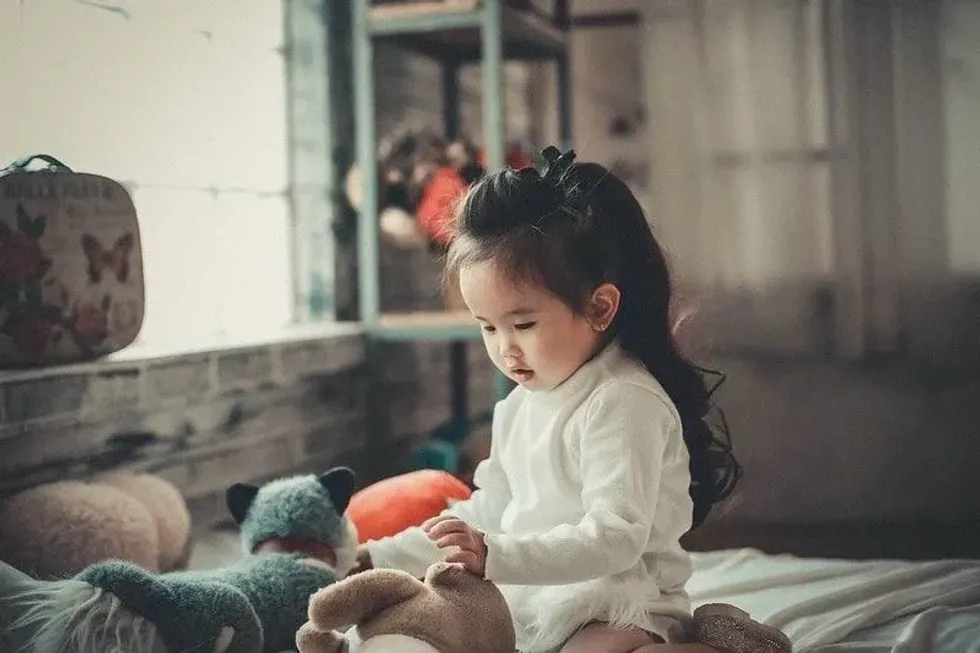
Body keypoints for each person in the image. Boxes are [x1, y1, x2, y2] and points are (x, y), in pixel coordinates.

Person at [356, 147, 792, 653]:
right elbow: (490, 509)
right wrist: (376, 556)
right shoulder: (521, 403)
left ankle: (726, 643)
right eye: (487, 327)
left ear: (599, 306)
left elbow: (616, 538)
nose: (504, 348)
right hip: (530, 598)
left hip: (623, 604)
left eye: (522, 324)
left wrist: (494, 555)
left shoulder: (623, 401)